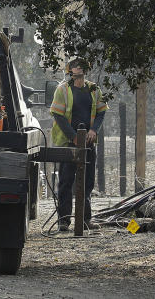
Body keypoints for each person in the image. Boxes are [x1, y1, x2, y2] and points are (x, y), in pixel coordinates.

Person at [49, 56, 108, 231]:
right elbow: (58, 115)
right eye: (74, 66)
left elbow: (101, 112)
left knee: (87, 182)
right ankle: (64, 221)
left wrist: (94, 130)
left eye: (81, 66)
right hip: (68, 142)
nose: (78, 68)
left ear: (86, 69)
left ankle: (84, 219)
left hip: (88, 142)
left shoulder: (94, 89)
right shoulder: (63, 90)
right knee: (66, 181)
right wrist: (73, 136)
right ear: (70, 70)